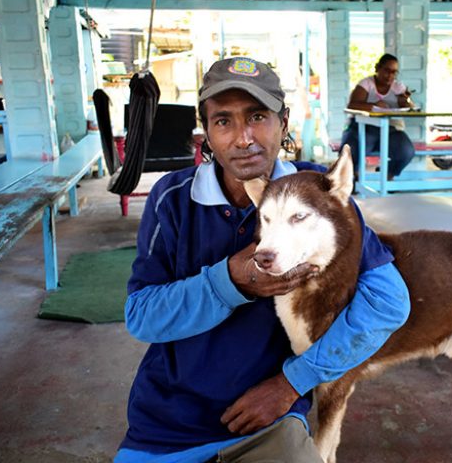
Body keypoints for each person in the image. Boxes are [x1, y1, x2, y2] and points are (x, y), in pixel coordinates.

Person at [115, 57, 411, 463]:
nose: (243, 138)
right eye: (223, 121)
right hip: (167, 423)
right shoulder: (172, 199)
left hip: (271, 420)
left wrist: (292, 383)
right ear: (204, 134)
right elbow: (142, 316)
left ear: (283, 123)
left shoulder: (320, 193)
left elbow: (389, 303)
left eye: (257, 116)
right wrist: (231, 283)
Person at [341, 53, 416, 180]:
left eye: (394, 72)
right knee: (351, 150)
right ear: (377, 68)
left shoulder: (398, 87)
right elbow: (352, 105)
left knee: (406, 151)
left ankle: (389, 175)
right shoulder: (366, 84)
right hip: (363, 127)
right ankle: (352, 178)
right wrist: (373, 105)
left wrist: (405, 99)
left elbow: (407, 107)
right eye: (387, 71)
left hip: (390, 130)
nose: (390, 76)